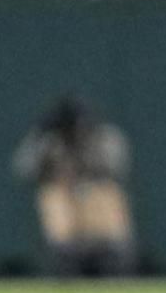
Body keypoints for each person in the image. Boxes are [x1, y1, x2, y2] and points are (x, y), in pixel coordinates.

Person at [11, 95, 137, 278]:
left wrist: (86, 170)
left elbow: (117, 166)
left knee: (105, 192)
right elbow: (23, 170)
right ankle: (67, 260)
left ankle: (112, 257)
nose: (73, 131)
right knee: (52, 195)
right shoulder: (50, 141)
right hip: (65, 202)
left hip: (96, 200)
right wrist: (40, 141)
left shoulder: (103, 137)